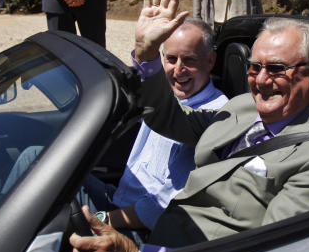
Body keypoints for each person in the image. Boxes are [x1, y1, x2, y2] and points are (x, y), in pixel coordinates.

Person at [70, 0, 309, 252]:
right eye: (253, 68)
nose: (261, 80)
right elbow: (172, 120)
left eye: (277, 68)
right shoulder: (242, 107)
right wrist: (147, 54)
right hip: (156, 239)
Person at [76, 17, 228, 240]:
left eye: (189, 60)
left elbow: (162, 206)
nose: (178, 70)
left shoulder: (214, 116)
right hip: (118, 198)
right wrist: (143, 48)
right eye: (171, 59)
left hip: (138, 228)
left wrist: (102, 219)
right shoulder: (164, 94)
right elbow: (140, 84)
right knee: (37, 159)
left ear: (210, 60)